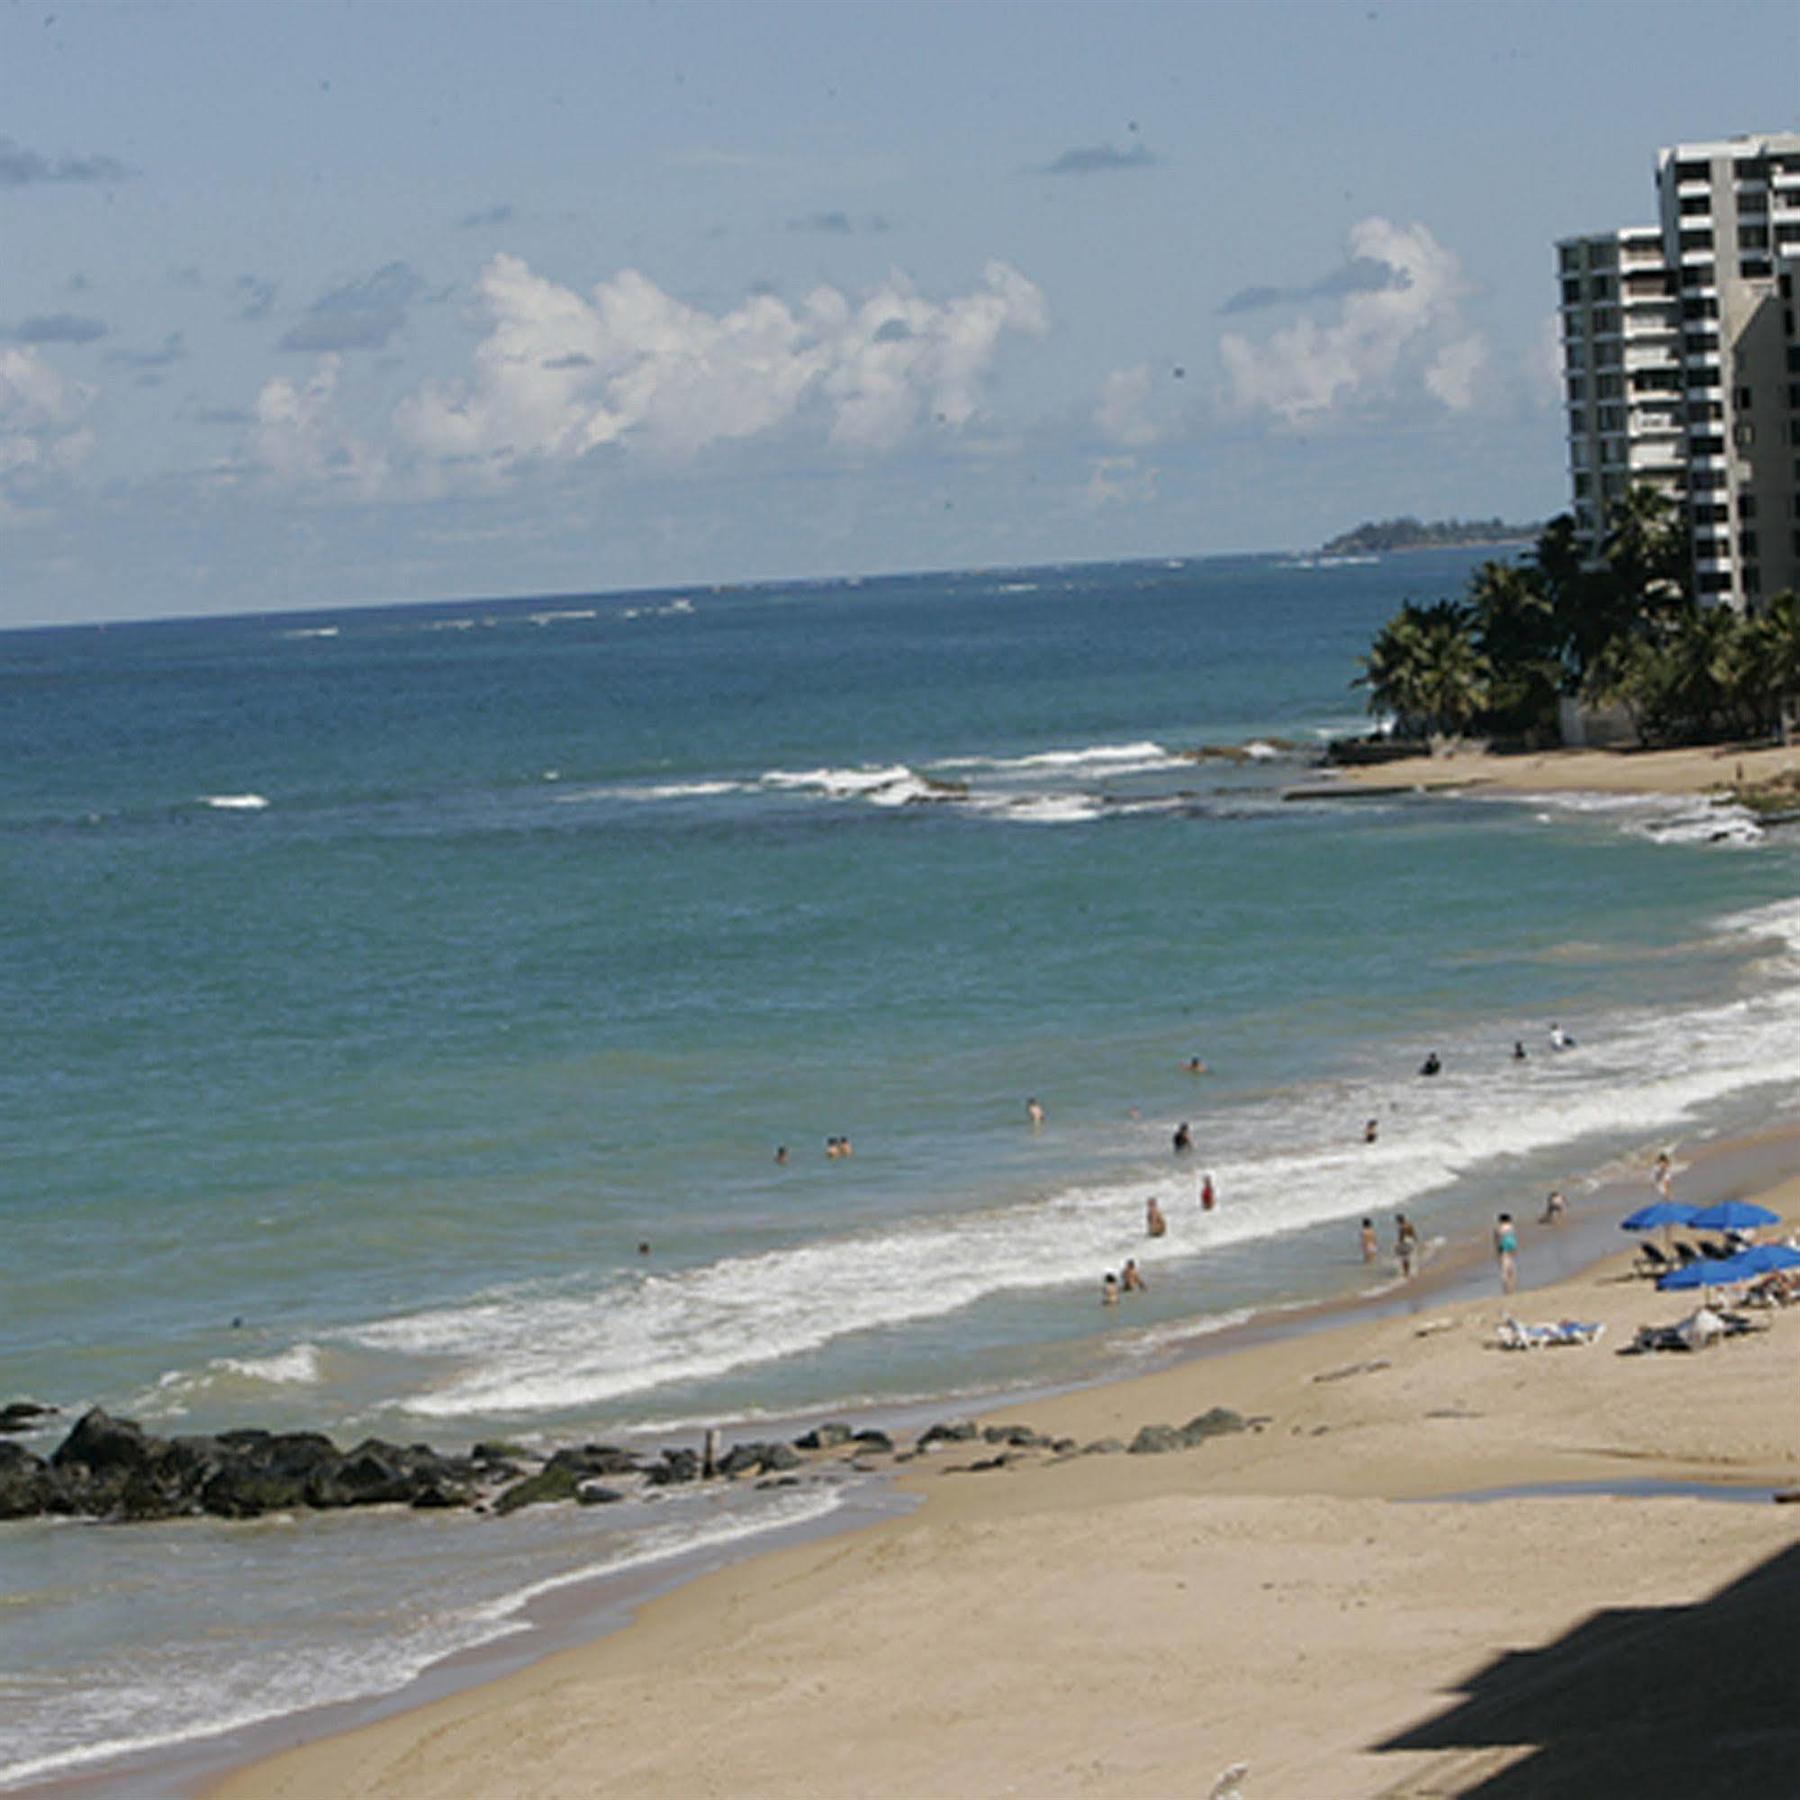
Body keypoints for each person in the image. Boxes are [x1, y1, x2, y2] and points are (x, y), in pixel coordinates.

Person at [1494, 1212, 1519, 1293]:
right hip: (1512, 1243)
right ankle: (1513, 1279)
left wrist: (1497, 1249)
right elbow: (1513, 1236)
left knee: (1504, 1265)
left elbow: (1497, 1239)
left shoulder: (1498, 1228)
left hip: (1503, 1244)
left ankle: (1505, 1282)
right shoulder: (1511, 1227)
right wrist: (1515, 1247)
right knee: (1511, 1262)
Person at [1395, 1213, 1419, 1278]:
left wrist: (1398, 1245)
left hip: (1405, 1243)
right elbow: (1414, 1234)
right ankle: (1409, 1271)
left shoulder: (1402, 1227)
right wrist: (1415, 1241)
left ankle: (1406, 1273)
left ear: (1399, 1220)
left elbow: (1401, 1238)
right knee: (1408, 1257)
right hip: (1411, 1241)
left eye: (1397, 1220)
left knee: (1404, 1258)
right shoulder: (1409, 1225)